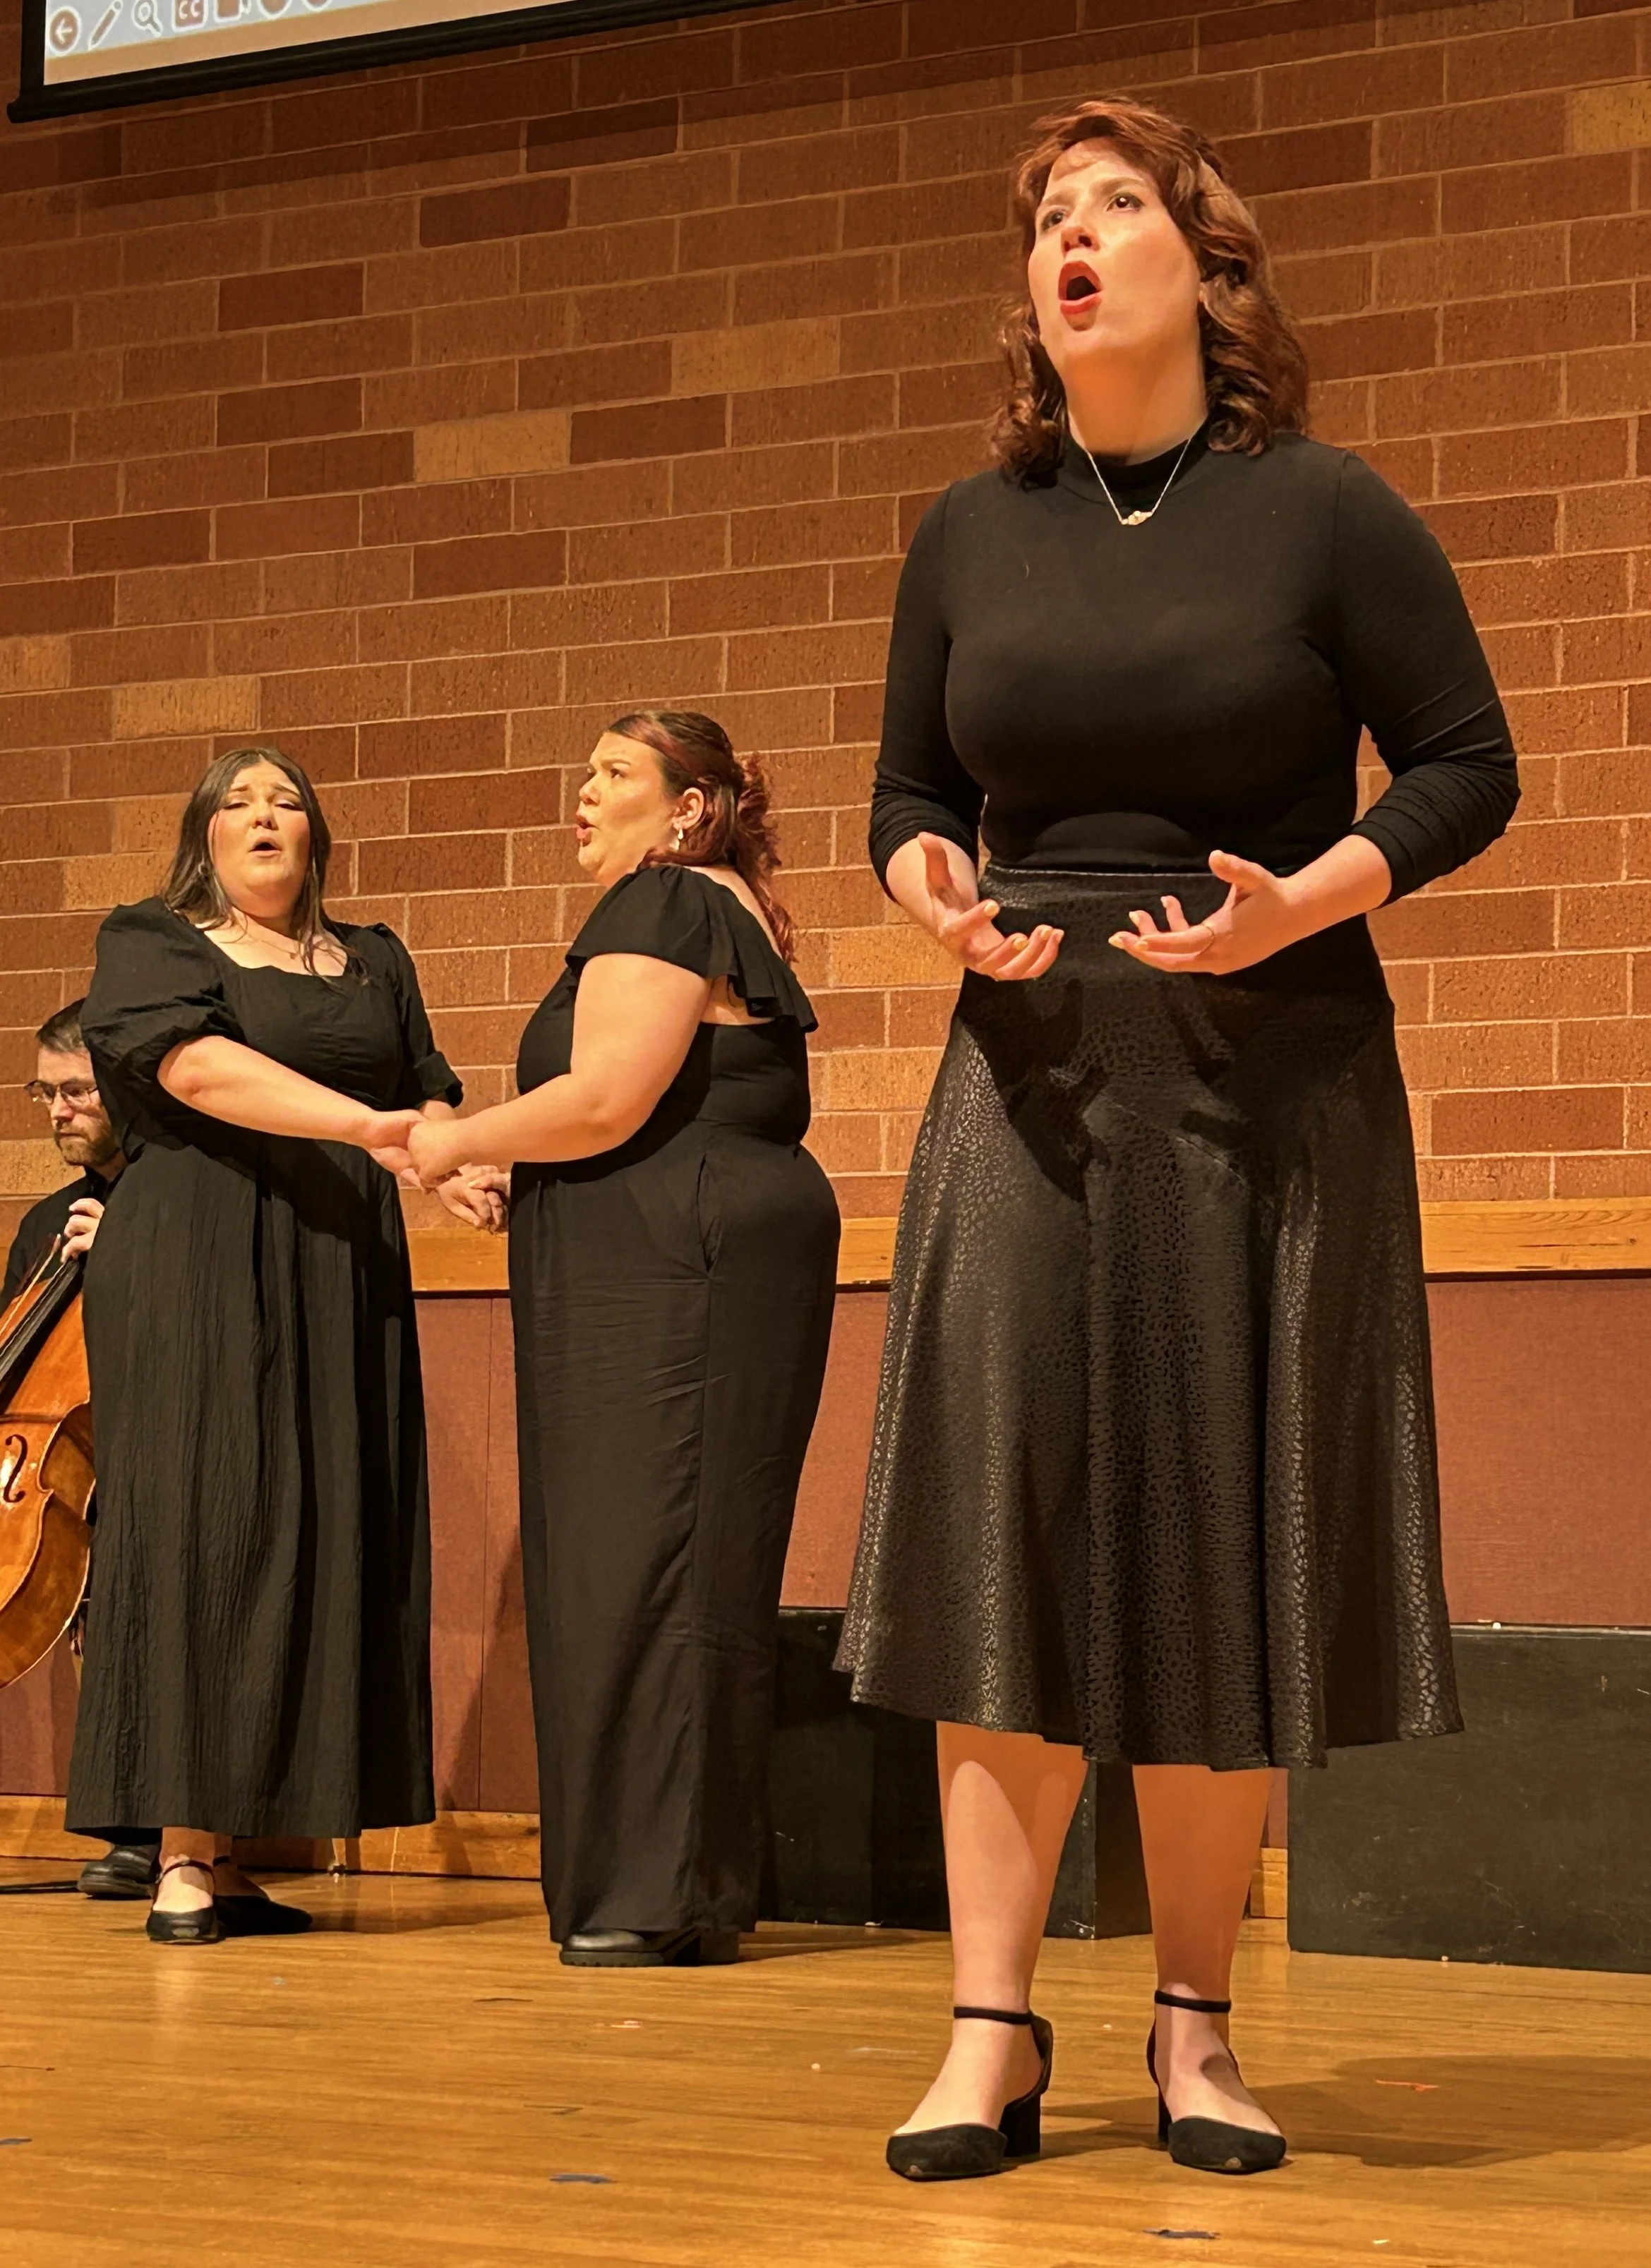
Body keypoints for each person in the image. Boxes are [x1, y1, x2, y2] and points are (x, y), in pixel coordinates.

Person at [836, 94, 1520, 2181]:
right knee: (997, 1541)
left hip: (1266, 1087)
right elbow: (892, 802)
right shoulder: (968, 530)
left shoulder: (1321, 511)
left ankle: (1195, 2031)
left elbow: (1463, 761)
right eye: (1044, 216)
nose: (1069, 239)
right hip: (1022, 1086)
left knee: (1221, 1544)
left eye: (1110, 207)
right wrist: (927, 896)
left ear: (1200, 271)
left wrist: (1314, 889)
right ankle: (984, 2031)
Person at [410, 711, 840, 1967]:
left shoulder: (661, 903)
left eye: (609, 774)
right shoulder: (709, 906)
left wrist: (453, 1138)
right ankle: (674, 1885)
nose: (579, 798)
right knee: (670, 1562)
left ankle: (648, 1889)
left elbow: (605, 1096)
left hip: (669, 1265)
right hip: (673, 1247)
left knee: (638, 1559)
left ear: (689, 805)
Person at [68, 747, 500, 1946]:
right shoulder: (150, 938)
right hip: (201, 1254)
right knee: (214, 1517)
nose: (264, 816)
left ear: (316, 835)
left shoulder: (374, 956)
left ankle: (253, 1836)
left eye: (286, 802)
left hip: (339, 1260)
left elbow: (429, 1089)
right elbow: (198, 1068)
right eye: (237, 804)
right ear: (200, 835)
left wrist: (457, 1166)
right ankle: (182, 1853)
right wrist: (377, 1129)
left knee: (328, 1521)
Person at [4, 1003, 160, 1901]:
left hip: (146, 1445)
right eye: (45, 1092)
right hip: (61, 1461)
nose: (58, 1110)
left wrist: (130, 1247)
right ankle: (121, 1819)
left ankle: (149, 1827)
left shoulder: (166, 1200)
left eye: (75, 1091)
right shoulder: (45, 1222)